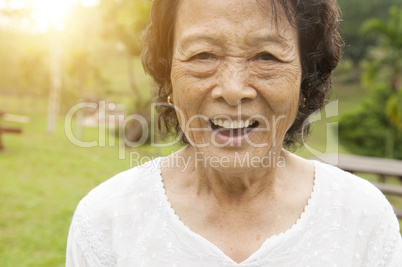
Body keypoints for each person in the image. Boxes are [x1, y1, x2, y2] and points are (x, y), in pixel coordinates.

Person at [66, 0, 402, 265]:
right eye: (203, 55)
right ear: (168, 77)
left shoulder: (362, 218)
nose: (232, 89)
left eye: (266, 56)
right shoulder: (106, 220)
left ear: (306, 79)